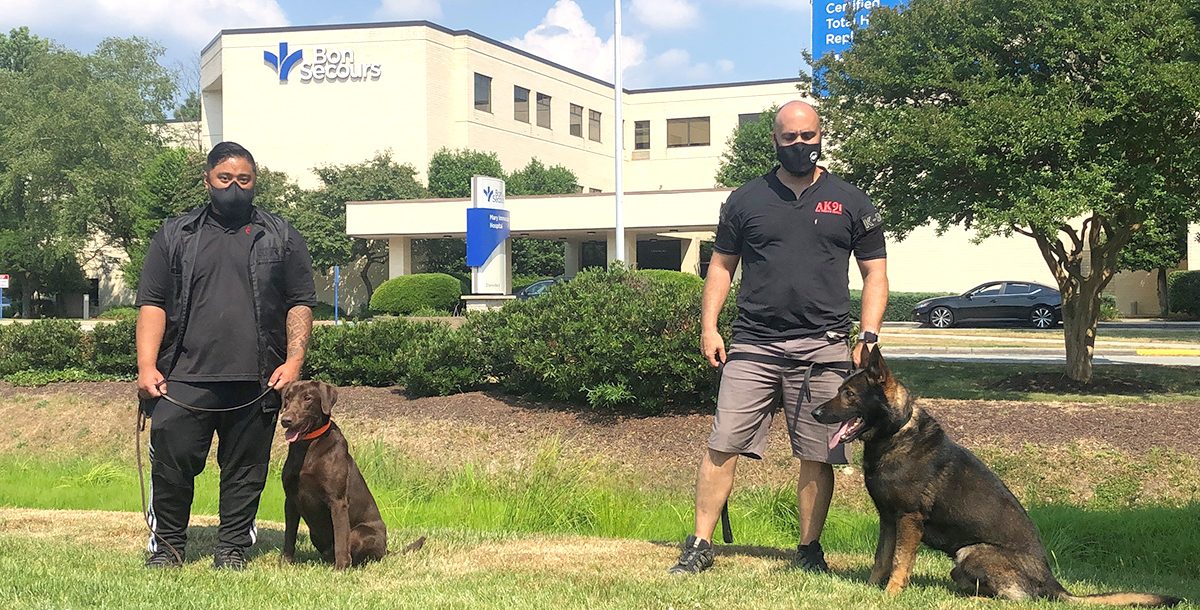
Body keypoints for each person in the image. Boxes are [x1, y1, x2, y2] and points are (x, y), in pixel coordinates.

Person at [669, 101, 889, 575]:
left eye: (808, 136)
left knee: (818, 452)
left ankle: (808, 550)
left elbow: (875, 273)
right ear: (774, 140)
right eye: (790, 138)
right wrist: (709, 327)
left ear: (821, 136)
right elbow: (721, 266)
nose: (800, 145)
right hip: (753, 343)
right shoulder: (745, 199)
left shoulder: (852, 201)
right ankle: (700, 544)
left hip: (825, 345)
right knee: (723, 442)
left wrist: (868, 334)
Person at [135, 141, 317, 570]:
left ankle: (232, 548)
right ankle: (168, 548)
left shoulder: (282, 235)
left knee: (245, 471)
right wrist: (146, 366)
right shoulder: (175, 234)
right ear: (208, 181)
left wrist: (293, 363)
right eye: (225, 179)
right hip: (183, 378)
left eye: (244, 180)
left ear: (255, 182)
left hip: (257, 379)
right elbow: (153, 304)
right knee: (173, 467)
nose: (234, 187)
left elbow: (301, 302)